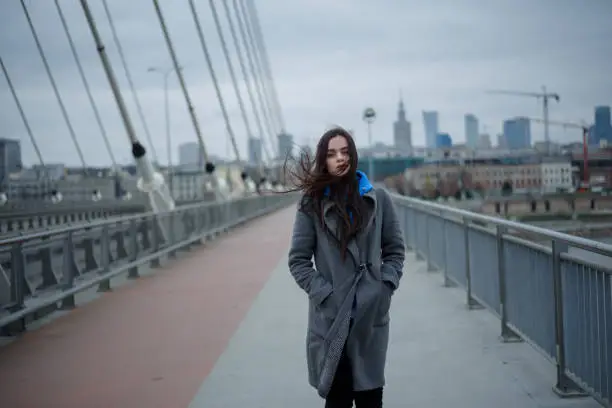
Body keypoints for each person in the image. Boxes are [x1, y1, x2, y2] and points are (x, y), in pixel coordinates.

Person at [287, 126, 405, 407]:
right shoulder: (311, 205)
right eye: (331, 154)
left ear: (353, 155)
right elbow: (298, 261)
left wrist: (384, 287)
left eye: (344, 151)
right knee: (337, 399)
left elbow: (395, 251)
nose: (339, 158)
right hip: (331, 319)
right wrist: (325, 296)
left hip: (369, 318)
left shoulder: (379, 200)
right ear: (323, 160)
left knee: (370, 398)